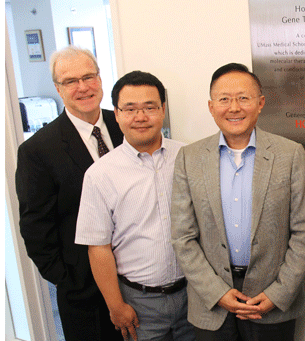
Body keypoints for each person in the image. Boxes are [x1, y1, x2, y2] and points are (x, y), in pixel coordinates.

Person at [170, 63, 305, 341]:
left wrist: (279, 293)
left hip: (270, 302)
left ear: (260, 103)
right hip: (210, 303)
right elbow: (182, 237)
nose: (234, 107)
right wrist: (217, 293)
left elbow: (304, 231)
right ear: (211, 107)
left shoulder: (290, 155)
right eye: (224, 99)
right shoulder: (190, 158)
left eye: (243, 98)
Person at [74, 71, 195, 341]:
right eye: (130, 109)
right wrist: (115, 306)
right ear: (116, 114)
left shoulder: (188, 157)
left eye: (150, 107)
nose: (140, 117)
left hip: (193, 295)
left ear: (163, 110)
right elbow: (98, 247)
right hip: (139, 303)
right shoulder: (100, 174)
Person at [15, 46, 124, 341]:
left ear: (100, 79)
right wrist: (69, 280)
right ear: (58, 89)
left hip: (141, 281)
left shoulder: (125, 124)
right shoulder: (37, 150)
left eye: (89, 76)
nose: (83, 87)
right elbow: (36, 228)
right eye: (70, 81)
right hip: (84, 293)